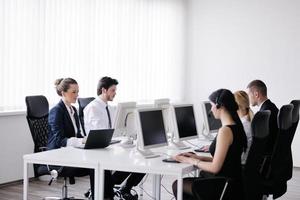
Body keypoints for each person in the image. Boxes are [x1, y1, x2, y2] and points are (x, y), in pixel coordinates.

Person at [172, 89, 247, 200]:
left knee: (177, 185)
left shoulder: (225, 131)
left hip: (224, 186)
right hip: (232, 183)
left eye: (212, 105)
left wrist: (191, 161)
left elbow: (215, 168)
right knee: (198, 177)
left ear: (219, 106)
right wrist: (197, 157)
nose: (211, 109)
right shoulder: (236, 126)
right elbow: (226, 160)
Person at [84, 76, 145, 200]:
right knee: (131, 159)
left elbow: (116, 129)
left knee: (142, 160)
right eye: (113, 90)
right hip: (97, 150)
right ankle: (104, 187)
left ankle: (124, 187)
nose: (115, 93)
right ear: (104, 90)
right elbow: (99, 134)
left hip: (110, 145)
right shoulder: (93, 108)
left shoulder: (110, 108)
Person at [246, 80, 278, 154]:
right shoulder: (271, 107)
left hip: (267, 156)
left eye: (248, 95)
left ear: (256, 94)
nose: (248, 98)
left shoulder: (263, 114)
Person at [234, 90, 254, 164]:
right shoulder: (251, 121)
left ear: (236, 106)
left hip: (241, 164)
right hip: (249, 163)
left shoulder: (243, 126)